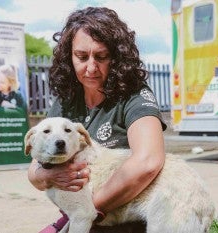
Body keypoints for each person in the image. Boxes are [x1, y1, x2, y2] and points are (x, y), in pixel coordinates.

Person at [27, 6, 166, 233]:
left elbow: (148, 161)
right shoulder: (66, 101)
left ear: (117, 58)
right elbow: (35, 170)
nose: (91, 67)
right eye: (82, 57)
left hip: (132, 220)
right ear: (68, 57)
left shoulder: (135, 96)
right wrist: (48, 174)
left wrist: (90, 209)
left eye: (101, 57)